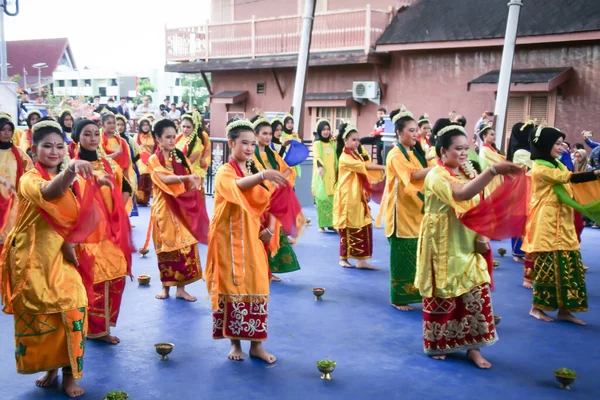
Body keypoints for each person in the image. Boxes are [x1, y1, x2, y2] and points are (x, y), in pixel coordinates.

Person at [1, 119, 105, 398]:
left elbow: (92, 214)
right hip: (32, 259)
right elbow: (50, 192)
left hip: (65, 255)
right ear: (34, 150)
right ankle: (52, 368)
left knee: (73, 309)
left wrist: (73, 241)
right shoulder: (29, 179)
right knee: (42, 316)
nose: (54, 151)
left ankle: (71, 374)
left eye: (59, 146)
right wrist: (71, 169)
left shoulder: (75, 179)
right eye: (47, 146)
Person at [414, 122, 518, 368]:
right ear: (442, 152)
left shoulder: (467, 170)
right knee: (443, 292)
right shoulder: (436, 175)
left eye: (466, 149)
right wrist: (492, 171)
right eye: (457, 149)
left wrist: (484, 234)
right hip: (442, 242)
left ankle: (473, 348)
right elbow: (461, 194)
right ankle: (439, 343)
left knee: (476, 291)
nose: (463, 153)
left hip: (468, 240)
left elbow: (480, 203)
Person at [205, 118, 301, 363]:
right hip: (228, 242)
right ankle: (235, 344)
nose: (248, 148)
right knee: (231, 288)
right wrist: (261, 175)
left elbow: (271, 200)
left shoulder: (252, 168)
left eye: (251, 144)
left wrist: (270, 230)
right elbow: (236, 187)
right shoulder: (225, 172)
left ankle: (257, 345)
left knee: (259, 286)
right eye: (243, 143)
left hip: (253, 239)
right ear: (231, 143)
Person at [522, 125, 600, 326]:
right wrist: (595, 174)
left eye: (561, 143)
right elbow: (568, 178)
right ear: (546, 144)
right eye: (557, 143)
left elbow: (570, 182)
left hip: (563, 221)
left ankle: (565, 310)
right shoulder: (540, 168)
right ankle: (537, 308)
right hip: (546, 222)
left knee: (570, 265)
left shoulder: (558, 164)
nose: (561, 146)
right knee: (548, 267)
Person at [71, 119, 133, 344]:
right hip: (86, 234)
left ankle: (103, 327)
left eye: (95, 134)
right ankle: (89, 327)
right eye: (86, 134)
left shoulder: (109, 165)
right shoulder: (72, 167)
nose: (92, 138)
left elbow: (126, 188)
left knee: (115, 276)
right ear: (76, 137)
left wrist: (118, 214)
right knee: (91, 278)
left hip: (110, 232)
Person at [377, 107, 434, 311]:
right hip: (401, 213)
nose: (415, 134)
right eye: (411, 130)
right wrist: (438, 168)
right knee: (401, 256)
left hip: (416, 209)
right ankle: (398, 297)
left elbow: (425, 170)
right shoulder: (394, 154)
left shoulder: (418, 153)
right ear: (399, 133)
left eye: (416, 130)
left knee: (416, 254)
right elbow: (413, 176)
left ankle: (417, 292)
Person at [146, 119, 209, 302]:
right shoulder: (153, 159)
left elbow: (190, 178)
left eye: (174, 136)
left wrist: (194, 182)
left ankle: (181, 289)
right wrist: (187, 177)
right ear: (158, 139)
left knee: (186, 246)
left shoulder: (179, 157)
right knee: (165, 248)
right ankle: (165, 288)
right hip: (163, 209)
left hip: (181, 207)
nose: (172, 140)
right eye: (168, 137)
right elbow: (164, 179)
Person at [250, 115, 300, 281]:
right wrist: (271, 180)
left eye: (269, 134)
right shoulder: (252, 155)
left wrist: (278, 179)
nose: (268, 137)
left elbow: (287, 169)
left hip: (274, 199)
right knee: (260, 235)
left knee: (272, 234)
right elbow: (256, 176)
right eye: (264, 133)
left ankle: (268, 271)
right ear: (255, 135)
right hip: (259, 201)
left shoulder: (271, 153)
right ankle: (260, 271)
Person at [334, 122, 385, 270]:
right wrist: (383, 167)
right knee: (348, 226)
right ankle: (343, 258)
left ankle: (361, 260)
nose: (357, 142)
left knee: (363, 225)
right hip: (348, 196)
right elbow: (365, 167)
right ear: (346, 141)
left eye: (358, 140)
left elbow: (366, 163)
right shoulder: (345, 157)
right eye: (354, 139)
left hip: (358, 195)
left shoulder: (356, 154)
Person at [507, 121, 535, 284]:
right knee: (520, 219)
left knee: (525, 219)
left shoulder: (523, 150)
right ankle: (517, 252)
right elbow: (533, 165)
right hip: (521, 189)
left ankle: (521, 250)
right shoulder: (520, 152)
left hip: (526, 188)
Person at [0, 117, 33, 254]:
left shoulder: (19, 153)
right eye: (3, 129)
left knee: (11, 232)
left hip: (14, 198)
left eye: (9, 130)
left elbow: (31, 170)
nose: (6, 133)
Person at [99, 113, 134, 208]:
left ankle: (119, 213)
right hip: (106, 173)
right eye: (109, 123)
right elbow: (101, 159)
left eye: (114, 123)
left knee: (127, 189)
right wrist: (117, 154)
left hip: (121, 173)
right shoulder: (99, 141)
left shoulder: (122, 141)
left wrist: (127, 176)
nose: (112, 125)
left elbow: (126, 160)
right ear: (102, 125)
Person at [312, 119, 337, 232]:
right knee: (322, 198)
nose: (326, 132)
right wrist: (320, 167)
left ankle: (331, 224)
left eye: (328, 129)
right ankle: (321, 225)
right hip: (322, 174)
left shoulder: (332, 143)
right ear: (319, 131)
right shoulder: (317, 143)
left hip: (332, 175)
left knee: (332, 199)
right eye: (324, 129)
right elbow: (317, 157)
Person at [134, 117, 155, 206]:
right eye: (143, 125)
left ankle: (146, 200)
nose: (145, 127)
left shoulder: (153, 136)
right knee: (142, 177)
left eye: (147, 125)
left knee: (149, 179)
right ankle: (139, 199)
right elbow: (134, 148)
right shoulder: (137, 136)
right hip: (140, 160)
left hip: (151, 159)